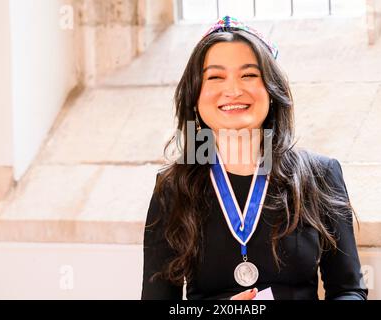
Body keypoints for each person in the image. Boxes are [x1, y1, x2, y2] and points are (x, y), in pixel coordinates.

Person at [141, 16, 368, 300]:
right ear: (195, 98)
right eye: (215, 77)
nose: (234, 90)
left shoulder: (320, 175)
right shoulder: (173, 188)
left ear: (271, 91)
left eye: (248, 75)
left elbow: (349, 290)